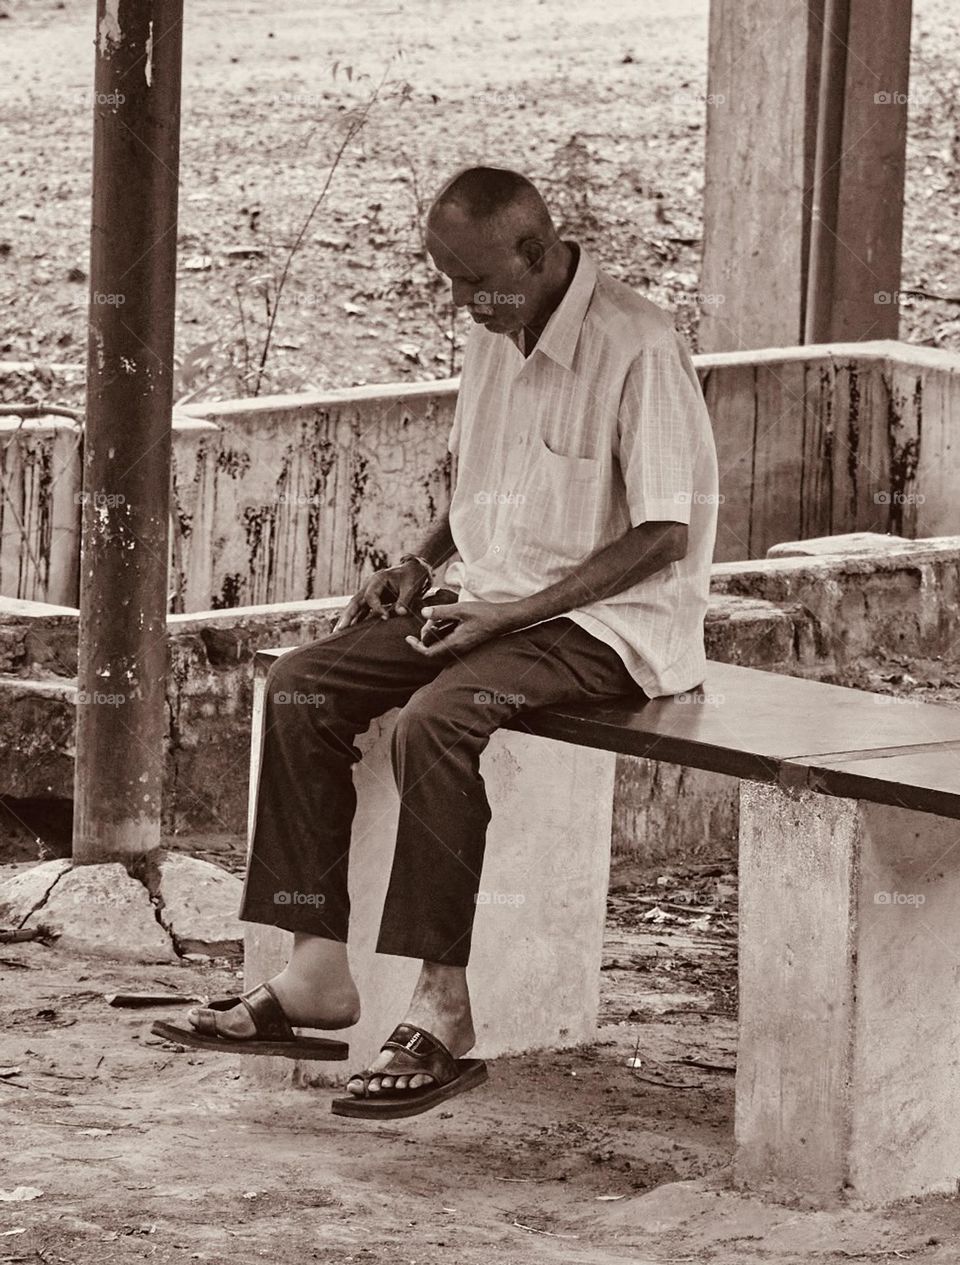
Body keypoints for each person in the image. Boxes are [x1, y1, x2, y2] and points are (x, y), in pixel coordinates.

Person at [152, 165, 720, 1119]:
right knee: (300, 683)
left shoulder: (639, 342)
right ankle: (316, 973)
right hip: (492, 603)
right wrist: (419, 561)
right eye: (444, 278)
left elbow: (666, 531)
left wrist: (510, 613)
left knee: (435, 721)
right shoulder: (498, 330)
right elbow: (484, 490)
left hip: (613, 628)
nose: (458, 302)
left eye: (471, 280)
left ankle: (442, 1006)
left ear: (535, 254)